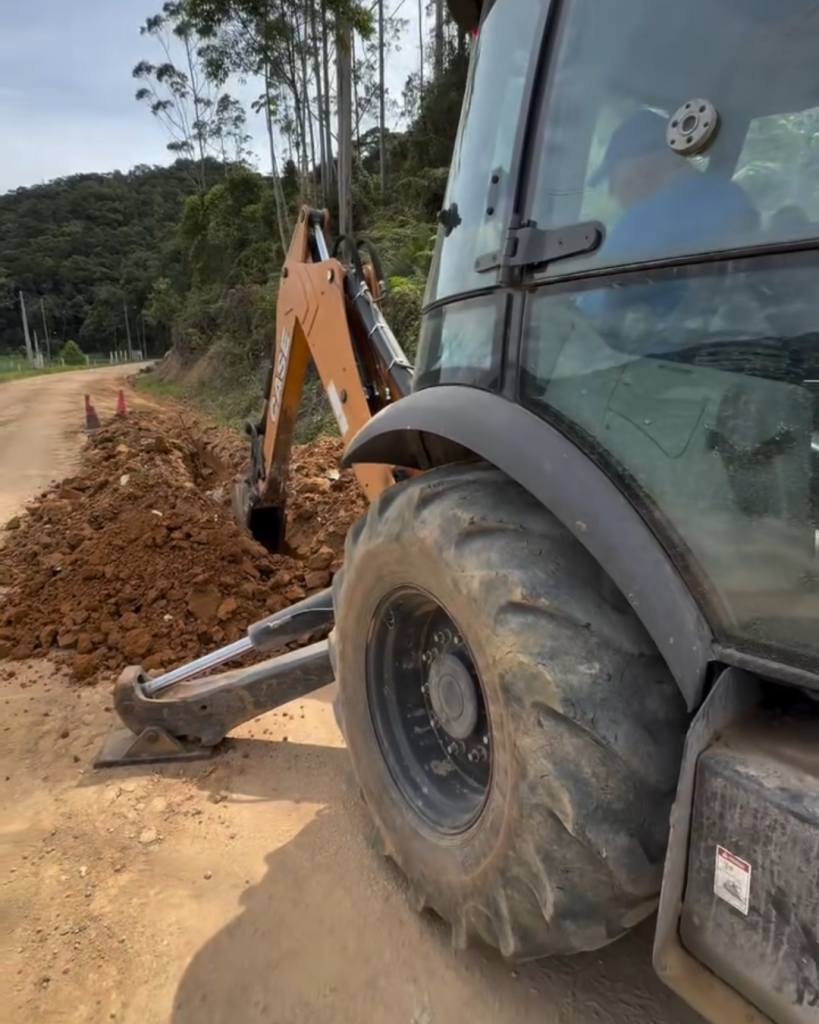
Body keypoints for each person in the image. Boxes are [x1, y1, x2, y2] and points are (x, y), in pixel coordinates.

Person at [577, 107, 759, 322]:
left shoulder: (643, 224)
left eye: (619, 185)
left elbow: (590, 311)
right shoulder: (731, 195)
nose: (615, 197)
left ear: (641, 173)